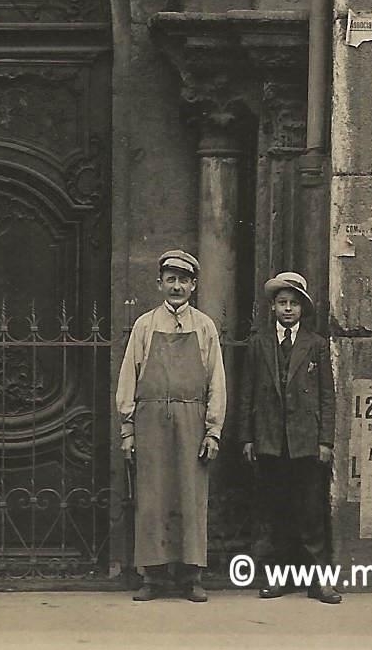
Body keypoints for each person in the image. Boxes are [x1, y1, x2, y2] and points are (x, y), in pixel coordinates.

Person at [116, 249, 226, 602]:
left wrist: (213, 430)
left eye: (183, 280)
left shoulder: (205, 326)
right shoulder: (145, 325)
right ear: (159, 283)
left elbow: (216, 382)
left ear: (193, 285)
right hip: (151, 422)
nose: (176, 286)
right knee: (152, 497)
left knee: (191, 496)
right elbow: (128, 379)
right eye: (170, 279)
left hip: (191, 419)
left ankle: (191, 575)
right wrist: (128, 429)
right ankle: (153, 576)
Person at [237, 271, 341, 604]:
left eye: (293, 303)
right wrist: (247, 438)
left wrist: (326, 441)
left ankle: (319, 582)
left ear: (302, 309)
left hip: (305, 441)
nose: (287, 309)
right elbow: (246, 394)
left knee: (310, 513)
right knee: (275, 512)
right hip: (269, 439)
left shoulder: (316, 345)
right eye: (282, 303)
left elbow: (327, 396)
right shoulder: (259, 343)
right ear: (272, 307)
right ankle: (277, 579)